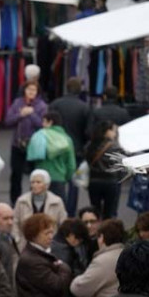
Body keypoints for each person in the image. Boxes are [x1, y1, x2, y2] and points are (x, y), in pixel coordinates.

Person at [49, 77, 91, 216]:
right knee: (74, 183)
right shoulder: (84, 107)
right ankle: (70, 211)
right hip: (76, 148)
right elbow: (88, 131)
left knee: (57, 179)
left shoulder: (55, 104)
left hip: (56, 147)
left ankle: (57, 208)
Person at [6, 81, 49, 204]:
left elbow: (43, 125)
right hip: (17, 144)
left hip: (34, 146)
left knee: (35, 175)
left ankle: (35, 201)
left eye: (34, 90)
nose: (31, 92)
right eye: (28, 89)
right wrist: (20, 114)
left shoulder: (42, 106)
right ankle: (15, 202)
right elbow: (8, 121)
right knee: (16, 175)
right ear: (24, 90)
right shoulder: (17, 103)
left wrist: (32, 114)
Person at [70, 219, 126, 297]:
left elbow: (79, 288)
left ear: (102, 238)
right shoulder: (126, 255)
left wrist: (75, 279)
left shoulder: (103, 261)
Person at [13, 169, 68, 249]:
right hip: (26, 245)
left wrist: (58, 243)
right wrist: (17, 240)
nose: (35, 185)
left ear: (46, 185)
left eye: (38, 182)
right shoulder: (21, 201)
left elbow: (63, 223)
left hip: (50, 244)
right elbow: (15, 222)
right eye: (33, 182)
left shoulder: (57, 202)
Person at [27, 111, 77, 200]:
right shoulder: (67, 139)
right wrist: (65, 177)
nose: (42, 124)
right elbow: (71, 165)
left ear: (50, 122)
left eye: (44, 121)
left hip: (40, 179)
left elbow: (31, 158)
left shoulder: (39, 135)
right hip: (59, 178)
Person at [84, 120, 126, 219]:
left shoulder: (91, 145)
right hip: (111, 181)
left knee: (95, 210)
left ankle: (95, 229)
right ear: (107, 131)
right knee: (110, 212)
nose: (115, 133)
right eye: (113, 131)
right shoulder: (115, 147)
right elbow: (122, 164)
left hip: (94, 181)